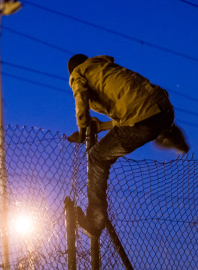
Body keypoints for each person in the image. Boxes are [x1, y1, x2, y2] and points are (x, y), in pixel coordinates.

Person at [67, 54, 189, 238]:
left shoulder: (79, 72)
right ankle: (171, 135)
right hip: (163, 109)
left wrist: (83, 130)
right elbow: (133, 109)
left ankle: (94, 222)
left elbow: (80, 97)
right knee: (151, 124)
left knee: (97, 157)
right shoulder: (104, 69)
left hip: (143, 119)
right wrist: (101, 126)